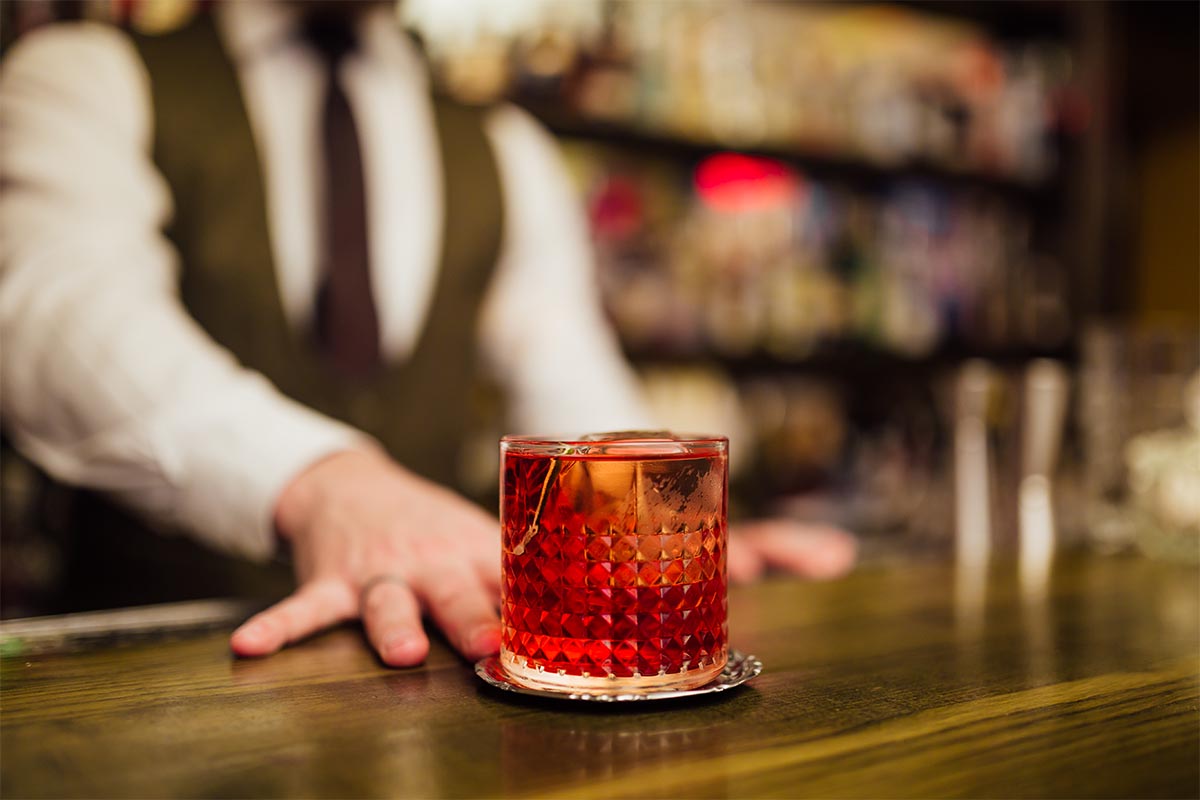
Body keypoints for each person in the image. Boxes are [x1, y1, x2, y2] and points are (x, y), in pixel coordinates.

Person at [0, 1, 855, 667]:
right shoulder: (85, 74)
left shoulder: (503, 144)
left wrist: (664, 528)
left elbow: (566, 371)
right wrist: (323, 485)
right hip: (158, 687)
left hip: (422, 684)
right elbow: (55, 315)